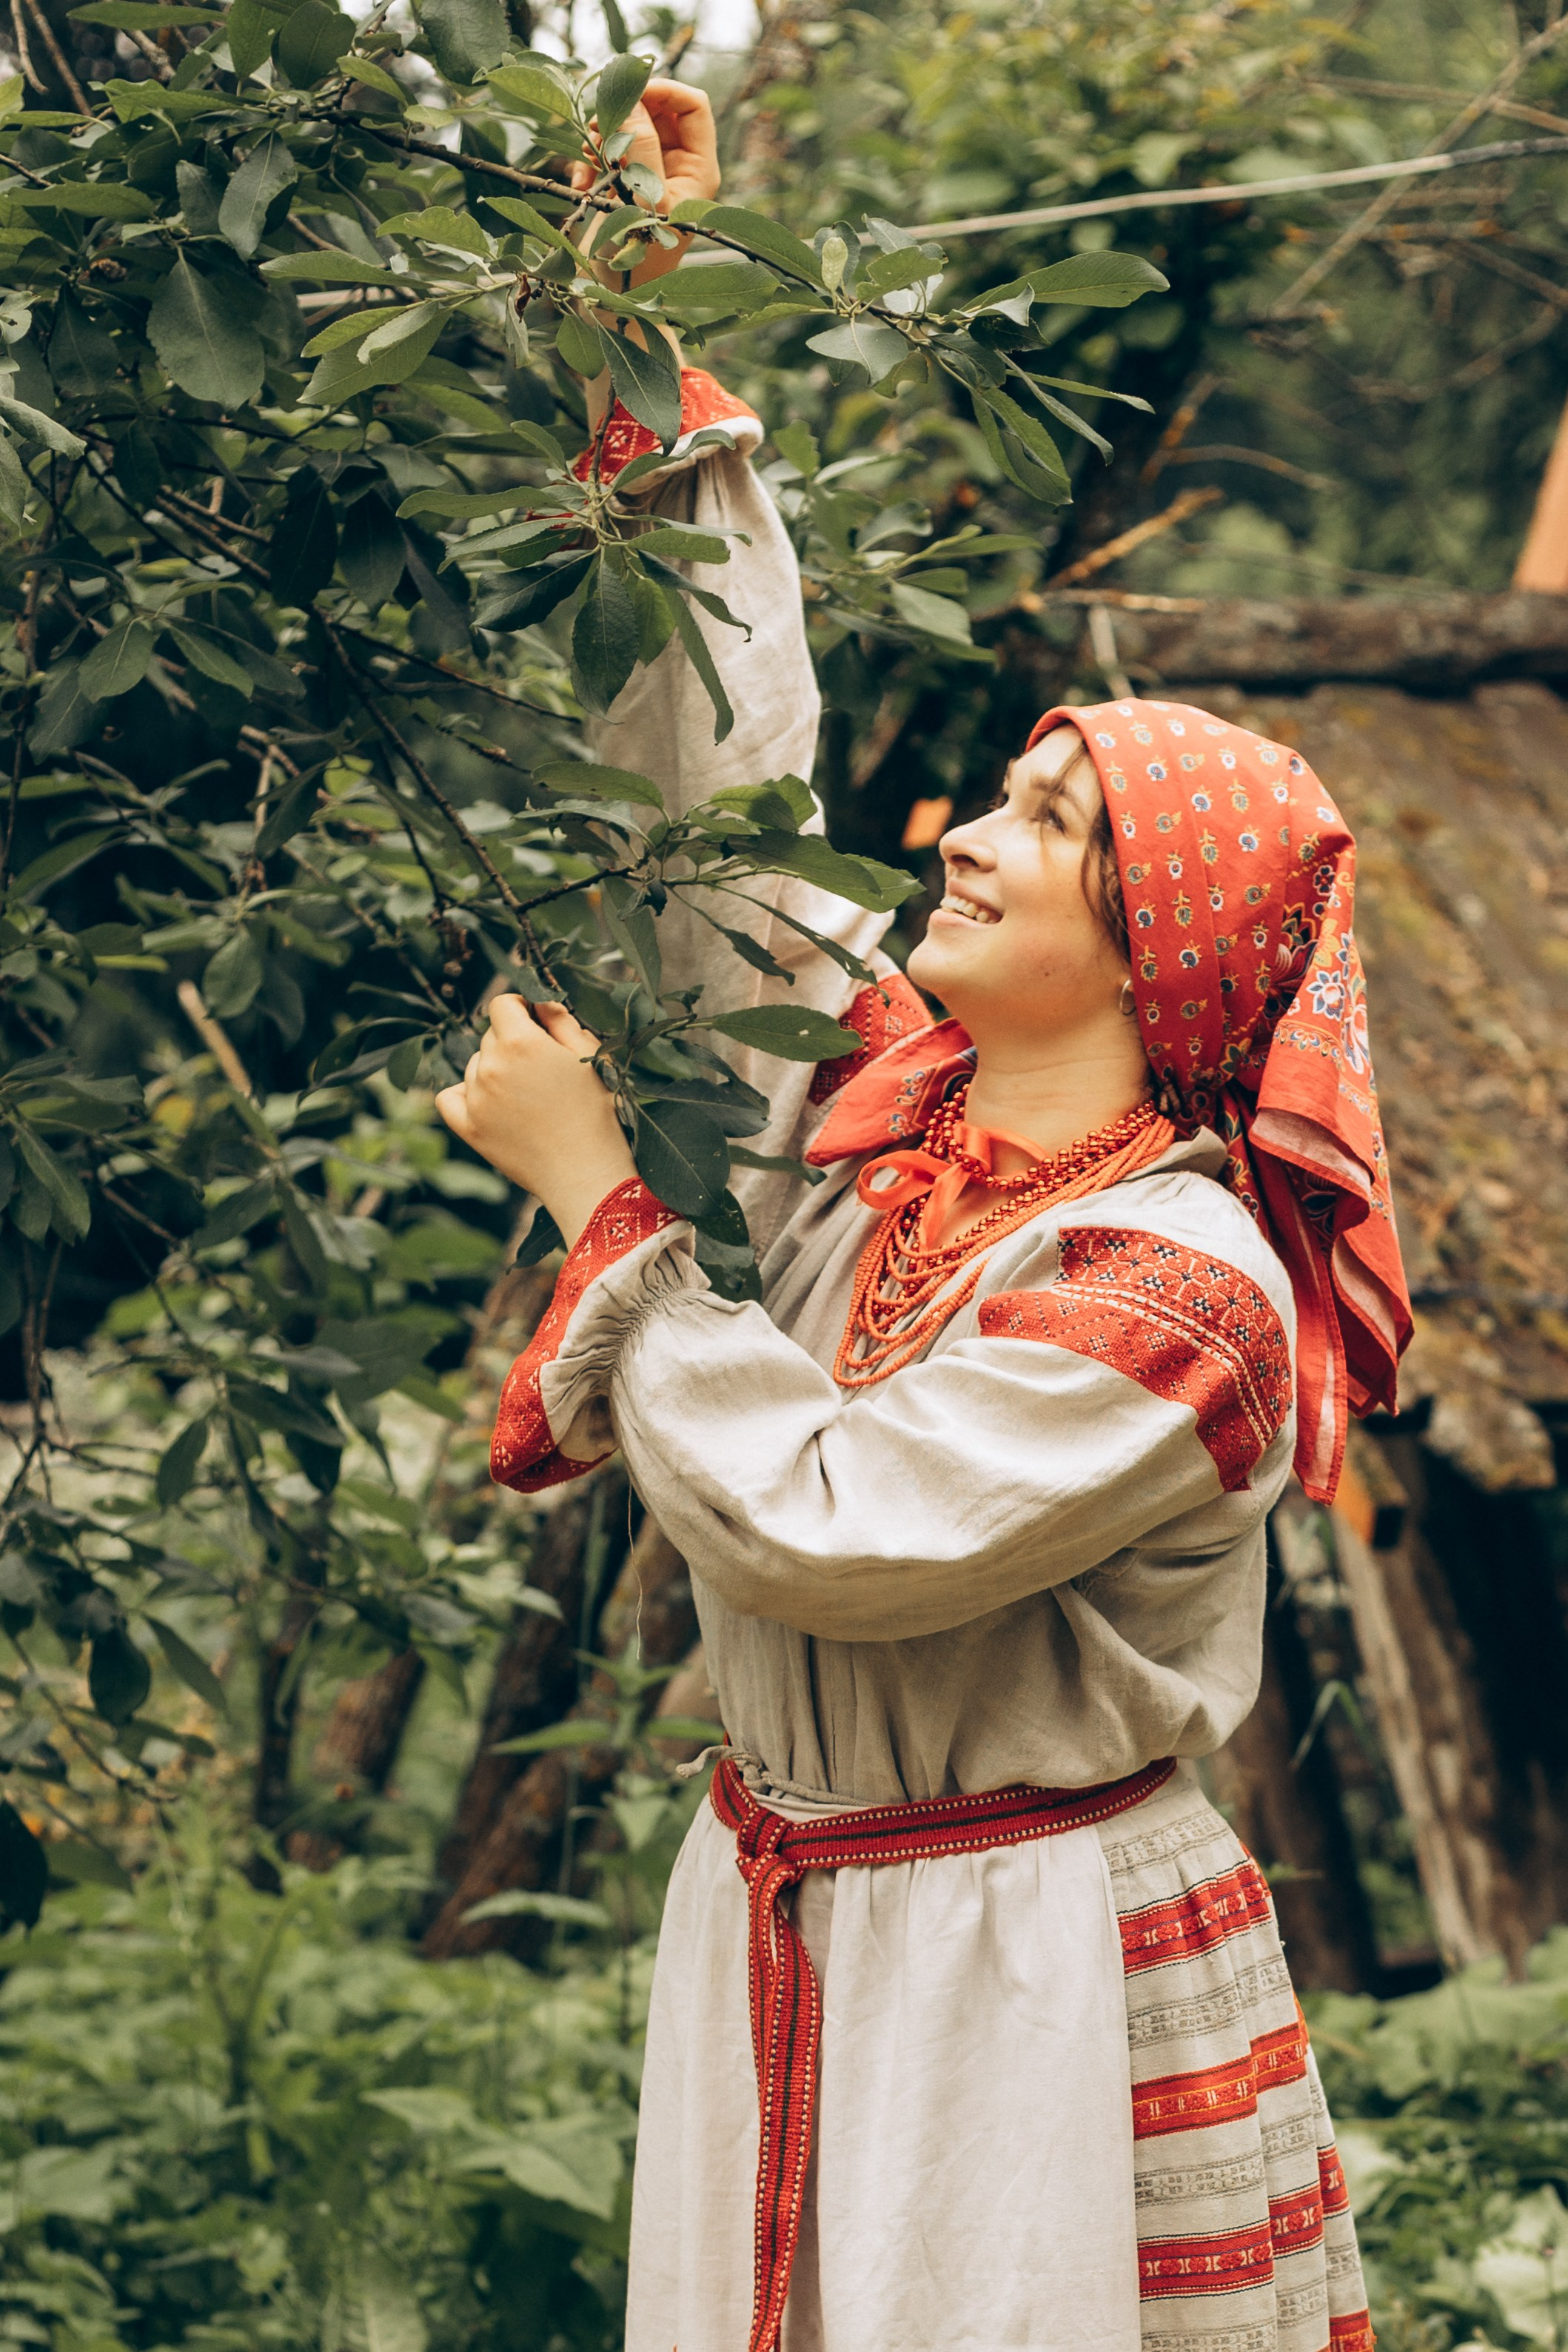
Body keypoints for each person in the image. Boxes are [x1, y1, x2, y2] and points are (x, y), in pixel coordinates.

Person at [436, 84, 1410, 2352]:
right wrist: (626, 335)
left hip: (1020, 1959)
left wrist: (604, 1202)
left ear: (1160, 946)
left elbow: (835, 1530)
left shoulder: (1191, 1284)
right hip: (790, 1896)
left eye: (1045, 827)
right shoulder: (886, 1129)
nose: (963, 834)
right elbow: (717, 817)